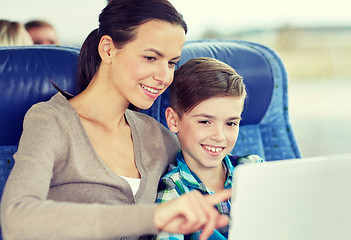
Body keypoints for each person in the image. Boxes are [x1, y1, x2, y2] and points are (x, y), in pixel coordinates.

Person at [0, 1, 231, 240]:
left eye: (172, 62)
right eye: (151, 57)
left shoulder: (158, 136)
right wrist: (153, 217)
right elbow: (16, 218)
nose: (164, 77)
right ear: (108, 49)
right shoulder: (51, 121)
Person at [154, 57, 264, 240]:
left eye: (231, 123)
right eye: (205, 121)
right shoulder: (174, 188)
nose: (219, 136)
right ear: (173, 121)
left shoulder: (253, 167)